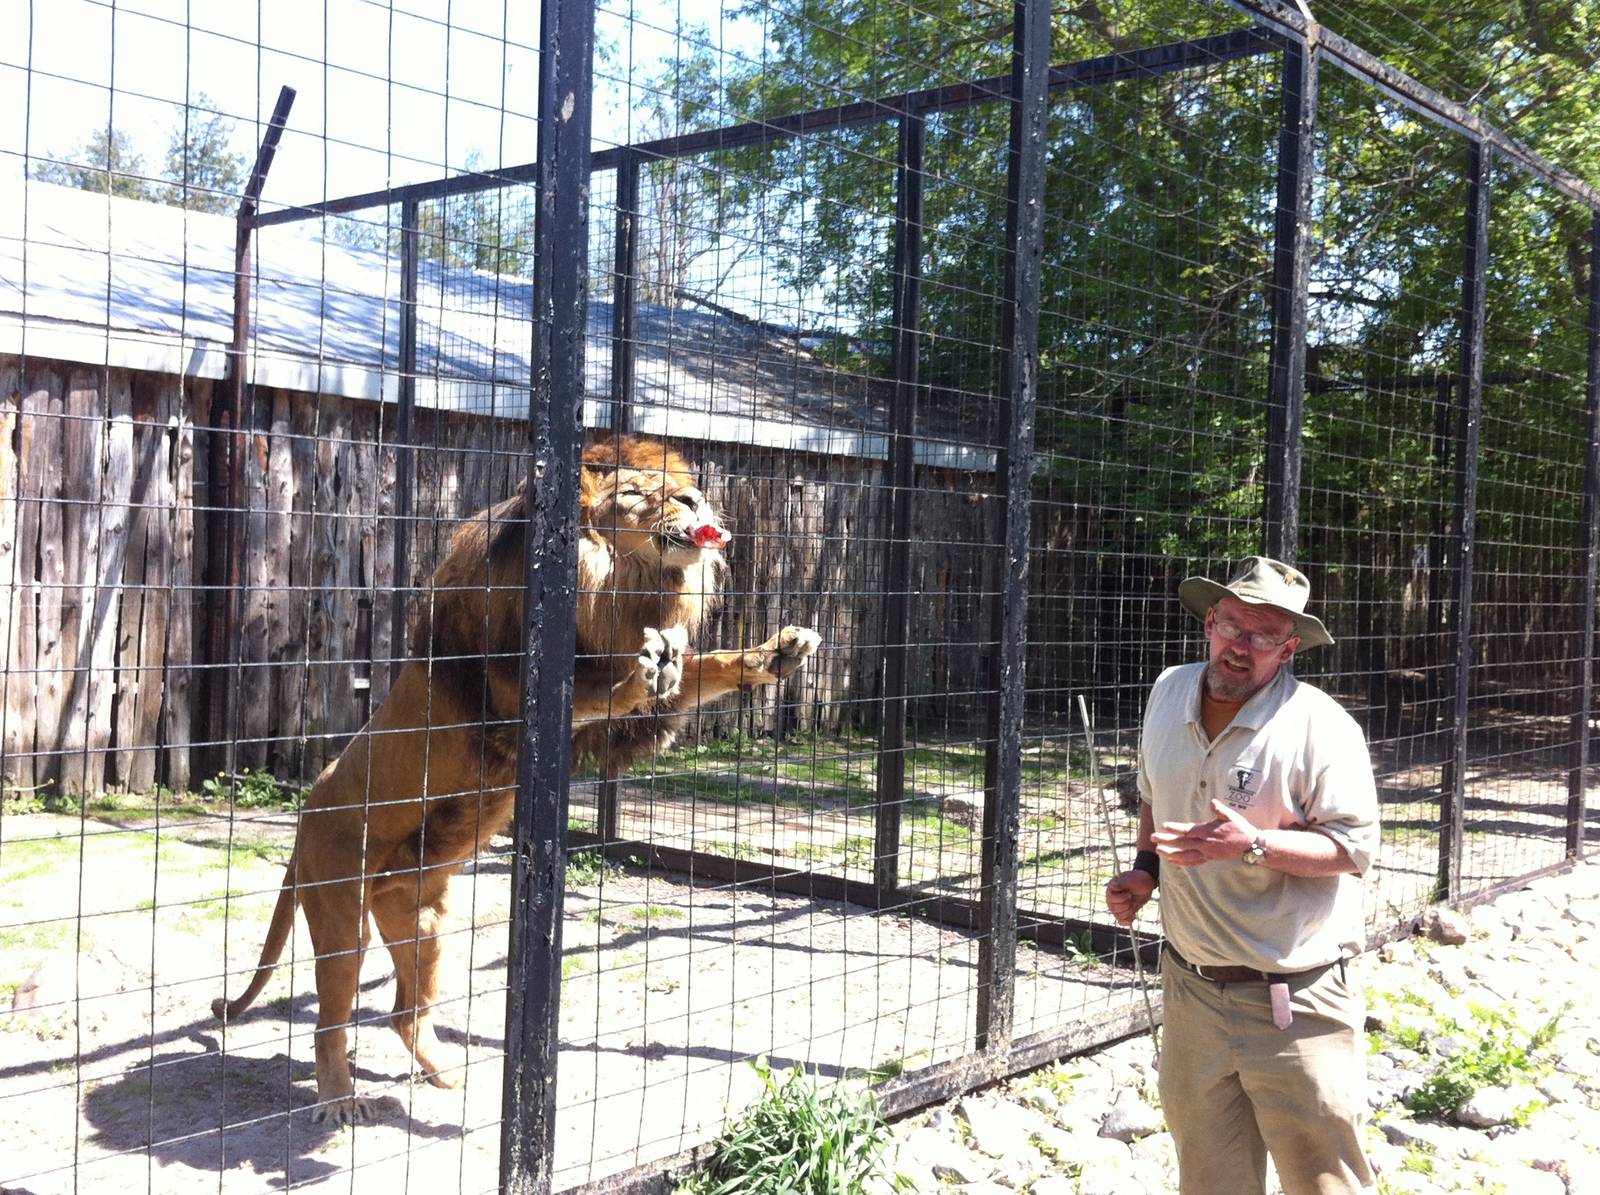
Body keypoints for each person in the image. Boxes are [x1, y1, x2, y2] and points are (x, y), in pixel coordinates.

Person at [1105, 555, 1380, 1195]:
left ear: (1288, 649)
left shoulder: (1322, 727)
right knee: (1209, 1179)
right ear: (1210, 621)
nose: (1241, 646)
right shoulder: (1169, 689)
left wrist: (1252, 844)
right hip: (1191, 988)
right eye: (1233, 626)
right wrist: (1146, 871)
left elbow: (1352, 851)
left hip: (1295, 996)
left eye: (1262, 637)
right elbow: (1155, 793)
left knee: (1325, 1182)